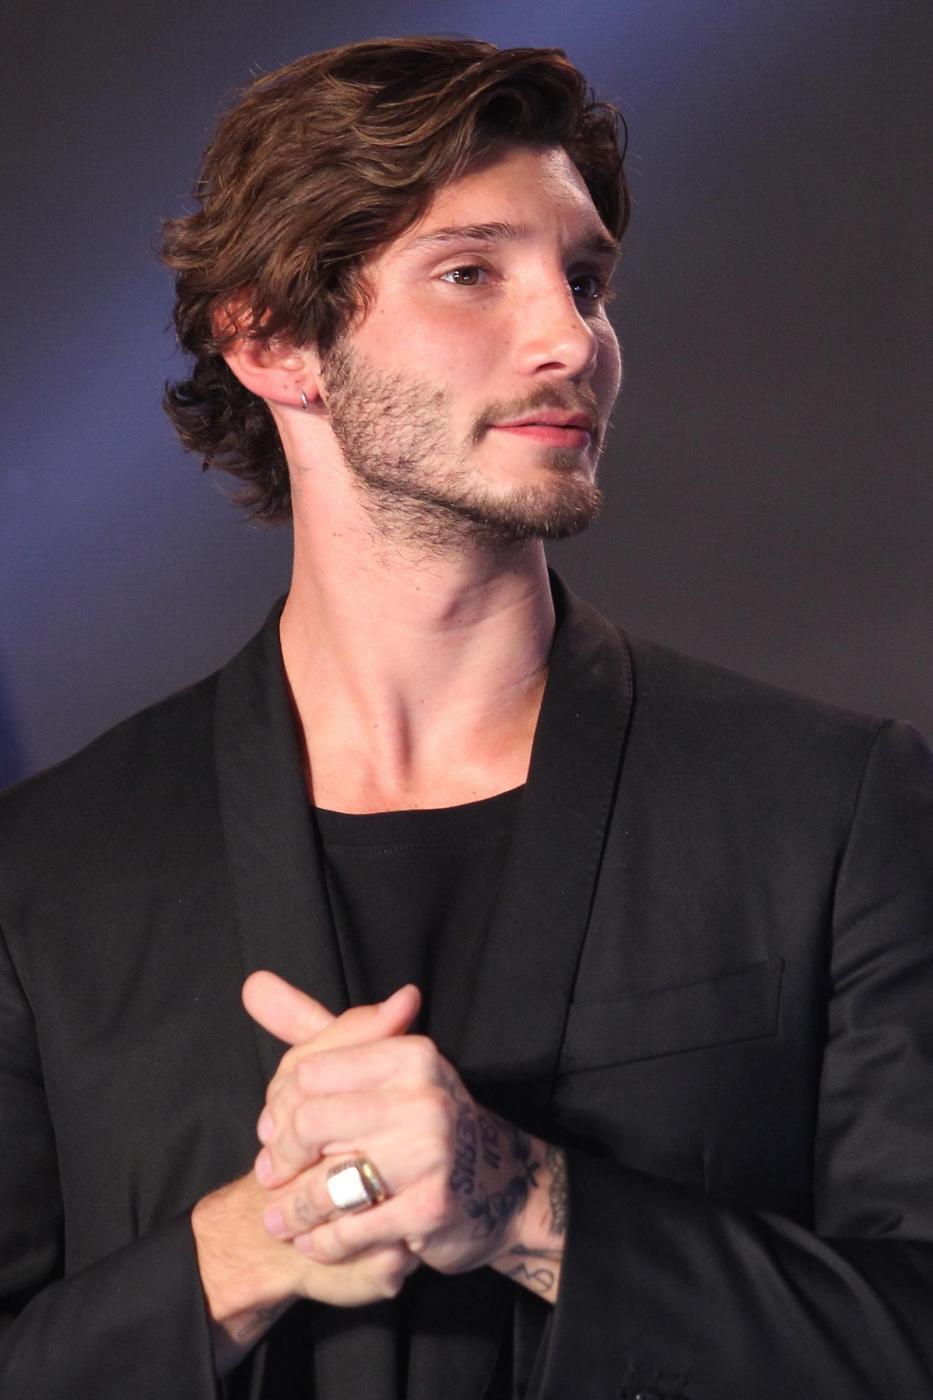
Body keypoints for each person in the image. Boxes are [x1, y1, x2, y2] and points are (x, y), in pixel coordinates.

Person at [1, 35, 931, 1400]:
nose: (572, 339)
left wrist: (524, 1203)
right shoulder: (43, 874)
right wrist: (247, 1249)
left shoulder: (831, 807)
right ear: (272, 340)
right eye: (470, 273)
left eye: (585, 280)